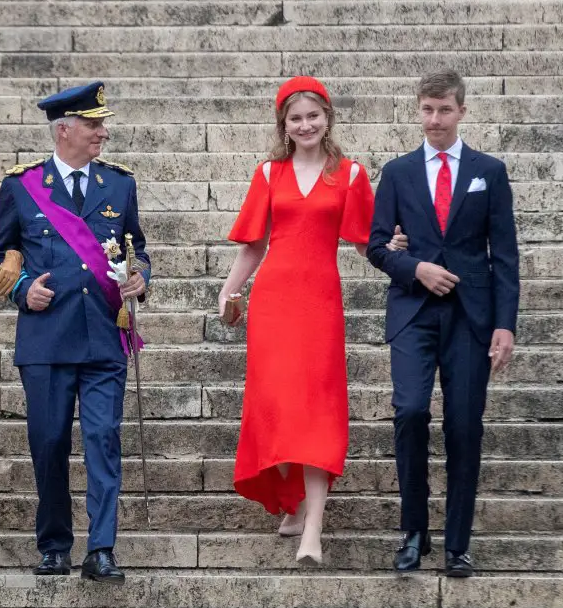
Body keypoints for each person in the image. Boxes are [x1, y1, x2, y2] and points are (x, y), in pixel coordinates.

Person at [220, 76, 402, 566]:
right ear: (284, 124)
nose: (305, 125)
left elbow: (367, 242)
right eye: (295, 118)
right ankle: (294, 504)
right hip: (274, 303)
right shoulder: (268, 174)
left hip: (319, 304)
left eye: (313, 116)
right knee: (278, 405)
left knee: (317, 411)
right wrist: (228, 289)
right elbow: (254, 243)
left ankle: (313, 532)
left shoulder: (351, 174)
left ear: (327, 118)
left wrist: (400, 255)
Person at [0, 81, 149, 583]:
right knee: (49, 440)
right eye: (93, 124)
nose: (101, 132)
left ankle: (101, 548)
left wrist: (140, 276)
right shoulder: (22, 186)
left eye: (101, 124)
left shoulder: (119, 185)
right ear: (64, 130)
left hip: (103, 336)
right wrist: (22, 290)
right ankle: (54, 543)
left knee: (102, 437)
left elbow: (136, 248)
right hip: (47, 338)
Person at [367, 69, 520, 577]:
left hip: (472, 317)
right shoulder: (397, 171)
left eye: (444, 109)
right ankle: (414, 531)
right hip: (413, 312)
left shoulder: (488, 171)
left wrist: (506, 325)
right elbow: (375, 246)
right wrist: (415, 268)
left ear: (462, 111)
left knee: (463, 425)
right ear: (419, 110)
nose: (435, 119)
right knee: (410, 411)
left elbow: (506, 256)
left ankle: (458, 543)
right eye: (427, 109)